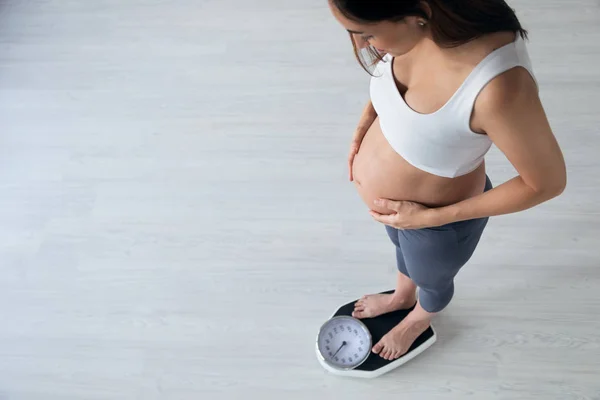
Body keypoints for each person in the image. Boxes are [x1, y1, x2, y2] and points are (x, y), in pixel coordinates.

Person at [327, 0, 567, 362]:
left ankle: (420, 318)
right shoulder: (415, 31)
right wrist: (367, 121)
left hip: (439, 225)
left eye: (367, 34)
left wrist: (429, 218)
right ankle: (401, 297)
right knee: (402, 252)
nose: (361, 46)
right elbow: (392, 86)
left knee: (433, 282)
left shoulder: (498, 86)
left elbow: (546, 183)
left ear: (417, 14)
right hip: (400, 214)